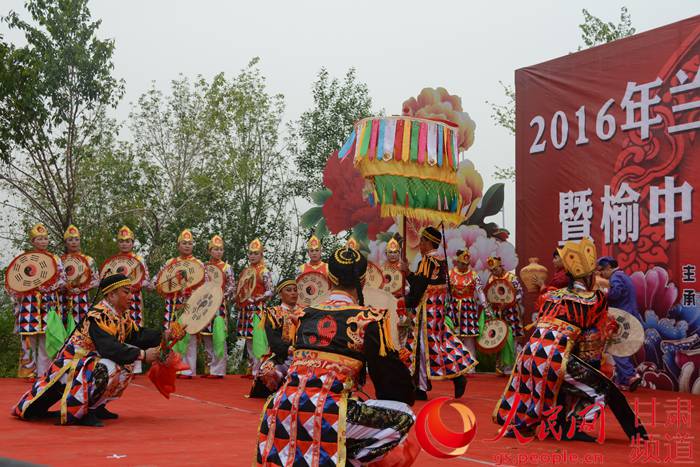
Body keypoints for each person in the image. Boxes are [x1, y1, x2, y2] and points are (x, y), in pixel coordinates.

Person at [255, 247, 418, 467]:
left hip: (281, 408)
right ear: (362, 281)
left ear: (329, 279)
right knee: (404, 414)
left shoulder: (303, 315)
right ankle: (352, 459)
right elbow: (392, 387)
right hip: (328, 412)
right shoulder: (368, 318)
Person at [493, 238, 647, 442]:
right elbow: (592, 337)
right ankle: (572, 428)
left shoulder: (552, 295)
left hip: (528, 356)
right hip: (555, 356)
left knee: (546, 387)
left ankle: (524, 426)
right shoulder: (596, 299)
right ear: (590, 276)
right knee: (600, 388)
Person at [12, 274, 163, 427]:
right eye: (126, 292)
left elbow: (136, 335)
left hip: (89, 361)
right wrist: (143, 355)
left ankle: (97, 407)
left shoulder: (120, 314)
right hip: (73, 364)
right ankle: (84, 411)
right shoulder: (98, 315)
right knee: (109, 367)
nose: (131, 296)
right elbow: (109, 348)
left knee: (128, 365)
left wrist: (164, 335)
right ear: (111, 295)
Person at [403, 226, 475, 400]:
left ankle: (420, 388)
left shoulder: (427, 262)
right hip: (437, 314)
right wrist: (411, 275)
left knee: (421, 348)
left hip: (426, 315)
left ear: (429, 243)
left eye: (422, 241)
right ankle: (456, 376)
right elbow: (425, 282)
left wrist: (406, 299)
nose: (420, 245)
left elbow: (419, 288)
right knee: (439, 345)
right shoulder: (441, 261)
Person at [5, 223, 66, 381]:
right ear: (33, 241)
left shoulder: (55, 259)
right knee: (29, 340)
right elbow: (12, 283)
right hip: (28, 304)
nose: (43, 241)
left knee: (47, 338)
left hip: (48, 303)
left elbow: (62, 280)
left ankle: (44, 373)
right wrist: (26, 287)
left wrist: (47, 286)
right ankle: (29, 372)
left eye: (45, 238)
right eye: (39, 239)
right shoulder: (24, 259)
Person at [153, 229, 207, 378]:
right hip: (172, 305)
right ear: (178, 245)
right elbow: (156, 282)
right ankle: (173, 368)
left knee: (190, 337)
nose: (187, 246)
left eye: (190, 243)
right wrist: (164, 287)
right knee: (172, 335)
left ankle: (189, 370)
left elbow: (206, 284)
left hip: (191, 304)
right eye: (184, 243)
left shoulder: (198, 264)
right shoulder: (170, 263)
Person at [103, 225, 153, 374]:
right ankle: (123, 364)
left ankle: (136, 366)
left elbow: (146, 280)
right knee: (118, 328)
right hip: (118, 301)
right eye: (122, 241)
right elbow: (107, 281)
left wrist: (136, 284)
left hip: (134, 299)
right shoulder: (113, 261)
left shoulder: (139, 260)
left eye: (128, 241)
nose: (125, 244)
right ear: (118, 243)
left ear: (133, 242)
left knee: (134, 328)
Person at [596, 256, 642, 391]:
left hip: (623, 318)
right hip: (630, 317)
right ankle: (623, 381)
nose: (602, 274)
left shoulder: (616, 277)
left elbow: (615, 294)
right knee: (622, 347)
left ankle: (630, 376)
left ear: (609, 267)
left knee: (617, 348)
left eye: (603, 270)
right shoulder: (623, 276)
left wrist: (601, 292)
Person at [252, 279, 304, 397]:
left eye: (295, 290)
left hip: (303, 355)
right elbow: (274, 341)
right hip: (280, 356)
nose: (293, 293)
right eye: (289, 290)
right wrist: (290, 349)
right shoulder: (272, 313)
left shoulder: (305, 312)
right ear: (280, 294)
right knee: (268, 371)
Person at [235, 238, 273, 378]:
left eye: (256, 253)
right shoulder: (245, 271)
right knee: (249, 339)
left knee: (258, 339)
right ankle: (252, 369)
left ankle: (259, 370)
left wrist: (258, 298)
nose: (252, 256)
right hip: (246, 308)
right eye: (250, 253)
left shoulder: (264, 271)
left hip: (258, 309)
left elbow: (270, 291)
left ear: (261, 254)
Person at [200, 235, 236, 378]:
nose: (218, 252)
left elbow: (231, 286)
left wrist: (221, 295)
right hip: (206, 305)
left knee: (219, 337)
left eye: (221, 249)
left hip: (220, 306)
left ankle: (219, 370)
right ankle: (208, 367)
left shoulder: (227, 268)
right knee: (207, 337)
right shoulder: (203, 267)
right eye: (215, 249)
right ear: (210, 250)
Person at [485, 256, 524, 375]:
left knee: (512, 338)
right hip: (498, 312)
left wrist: (509, 301)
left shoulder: (512, 278)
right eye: (492, 270)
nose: (494, 272)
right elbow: (489, 296)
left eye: (495, 269)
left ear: (501, 267)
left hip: (511, 312)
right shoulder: (491, 279)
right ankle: (503, 365)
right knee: (500, 338)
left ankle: (516, 365)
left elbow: (520, 293)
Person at [60, 225, 100, 330]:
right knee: (65, 328)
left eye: (76, 239)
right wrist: (64, 287)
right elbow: (57, 280)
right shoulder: (60, 261)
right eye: (70, 240)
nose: (73, 242)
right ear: (65, 242)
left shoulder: (88, 260)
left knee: (83, 327)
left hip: (82, 298)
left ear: (80, 241)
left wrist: (82, 288)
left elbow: (96, 281)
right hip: (64, 299)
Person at [449, 249, 486, 358]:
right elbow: (445, 292)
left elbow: (480, 292)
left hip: (468, 309)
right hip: (453, 308)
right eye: (462, 263)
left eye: (466, 264)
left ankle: (471, 366)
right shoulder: (450, 274)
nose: (464, 266)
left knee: (469, 338)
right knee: (454, 337)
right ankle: (456, 364)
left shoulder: (474, 275)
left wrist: (485, 306)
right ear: (457, 262)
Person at [381, 237, 408, 345]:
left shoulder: (404, 267)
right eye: (390, 252)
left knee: (401, 327)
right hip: (387, 303)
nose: (392, 254)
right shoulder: (382, 268)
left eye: (395, 252)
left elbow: (409, 284)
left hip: (401, 302)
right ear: (386, 253)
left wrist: (406, 290)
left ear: (399, 253)